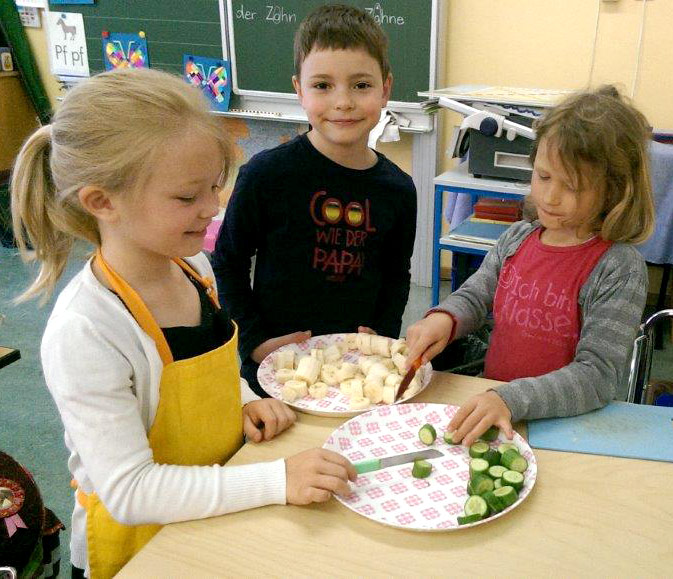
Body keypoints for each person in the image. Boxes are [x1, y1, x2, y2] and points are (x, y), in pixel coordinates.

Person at [10, 67, 356, 578]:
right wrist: (276, 480)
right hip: (142, 548)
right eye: (186, 197)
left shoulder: (192, 267)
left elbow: (205, 366)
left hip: (215, 513)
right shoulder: (86, 329)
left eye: (214, 188)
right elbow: (130, 491)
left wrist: (243, 400)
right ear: (102, 202)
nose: (213, 209)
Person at [405, 86, 655, 446]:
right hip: (496, 410)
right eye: (543, 176)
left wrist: (510, 399)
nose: (550, 197)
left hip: (564, 429)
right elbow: (476, 296)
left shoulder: (618, 267)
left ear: (615, 191)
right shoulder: (517, 238)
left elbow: (597, 377)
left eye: (572, 186)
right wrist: (444, 318)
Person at [211, 4, 417, 397]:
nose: (343, 102)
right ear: (299, 90)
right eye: (323, 85)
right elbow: (228, 261)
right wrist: (253, 340)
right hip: (278, 368)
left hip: (357, 370)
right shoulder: (266, 175)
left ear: (386, 89)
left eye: (361, 85)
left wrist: (384, 335)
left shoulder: (398, 189)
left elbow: (396, 274)